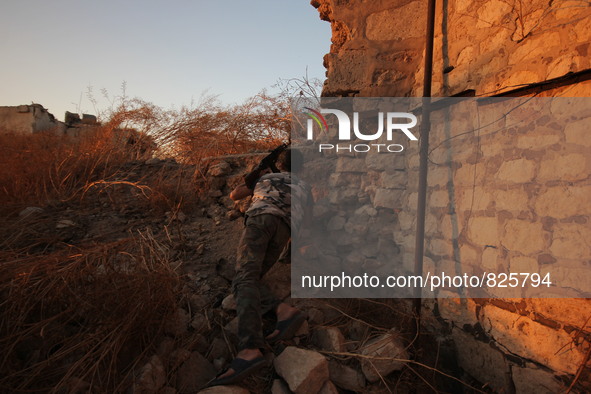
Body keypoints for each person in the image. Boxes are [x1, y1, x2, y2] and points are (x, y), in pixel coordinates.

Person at [208, 146, 312, 386]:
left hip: (260, 220)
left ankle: (250, 349)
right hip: (283, 231)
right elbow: (304, 223)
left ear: (282, 165)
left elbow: (235, 195)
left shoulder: (267, 178)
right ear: (303, 168)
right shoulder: (305, 188)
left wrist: (256, 175)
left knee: (244, 278)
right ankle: (284, 312)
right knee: (248, 280)